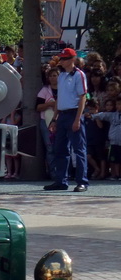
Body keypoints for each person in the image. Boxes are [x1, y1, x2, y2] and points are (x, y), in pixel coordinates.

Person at [45, 48, 89, 192]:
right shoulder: (62, 76)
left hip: (73, 113)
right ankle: (61, 181)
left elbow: (82, 97)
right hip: (63, 115)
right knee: (60, 149)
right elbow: (59, 99)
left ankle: (82, 181)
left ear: (71, 59)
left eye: (64, 59)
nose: (61, 61)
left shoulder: (79, 75)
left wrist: (77, 119)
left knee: (78, 149)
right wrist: (54, 118)